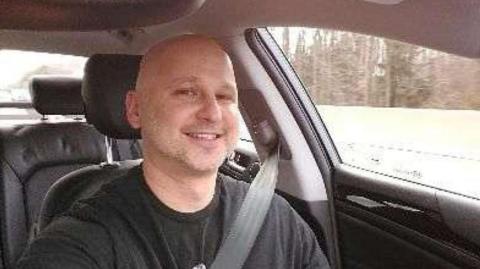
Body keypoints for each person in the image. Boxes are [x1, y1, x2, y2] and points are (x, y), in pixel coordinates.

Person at [17, 35, 330, 269]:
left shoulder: (278, 221)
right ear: (135, 108)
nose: (213, 113)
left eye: (224, 96)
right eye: (187, 92)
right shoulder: (85, 240)